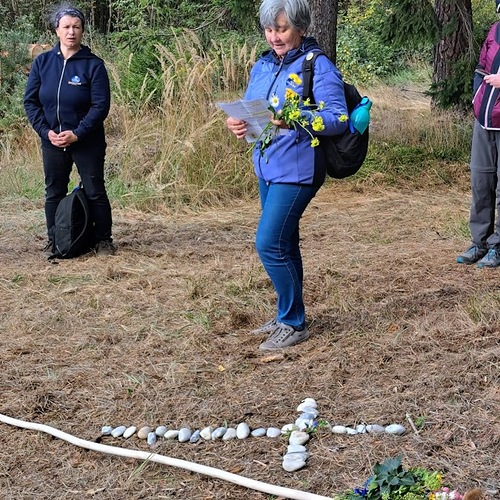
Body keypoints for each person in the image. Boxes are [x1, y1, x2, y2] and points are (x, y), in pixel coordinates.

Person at [226, 0, 348, 350]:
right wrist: (237, 123)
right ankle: (287, 313)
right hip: (266, 166)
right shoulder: (263, 65)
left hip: (298, 171)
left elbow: (336, 118)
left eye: (282, 28)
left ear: (301, 28)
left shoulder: (317, 66)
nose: (274, 36)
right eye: (269, 29)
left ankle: (294, 323)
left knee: (268, 243)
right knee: (285, 242)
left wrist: (294, 118)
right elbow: (252, 110)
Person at [24, 5, 116, 256]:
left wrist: (78, 132)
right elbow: (30, 102)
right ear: (56, 30)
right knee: (54, 191)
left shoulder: (94, 65)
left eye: (76, 27)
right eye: (66, 27)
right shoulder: (42, 63)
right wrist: (46, 132)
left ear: (83, 31)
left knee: (95, 189)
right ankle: (56, 239)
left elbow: (100, 105)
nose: (71, 32)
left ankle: (103, 240)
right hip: (52, 140)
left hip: (87, 140)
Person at [457, 0, 500, 268]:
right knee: (481, 181)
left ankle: (499, 247)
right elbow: (481, 69)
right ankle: (480, 242)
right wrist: (477, 101)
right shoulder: (495, 31)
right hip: (484, 120)